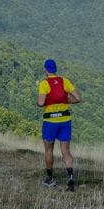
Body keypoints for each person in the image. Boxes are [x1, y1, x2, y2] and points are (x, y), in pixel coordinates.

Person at [37, 58, 83, 191]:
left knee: (49, 150)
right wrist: (66, 100)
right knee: (66, 151)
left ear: (45, 69)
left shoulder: (44, 84)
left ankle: (50, 178)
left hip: (50, 121)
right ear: (55, 69)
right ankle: (70, 178)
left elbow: (40, 103)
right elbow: (78, 98)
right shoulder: (65, 81)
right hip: (65, 121)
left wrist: (47, 102)